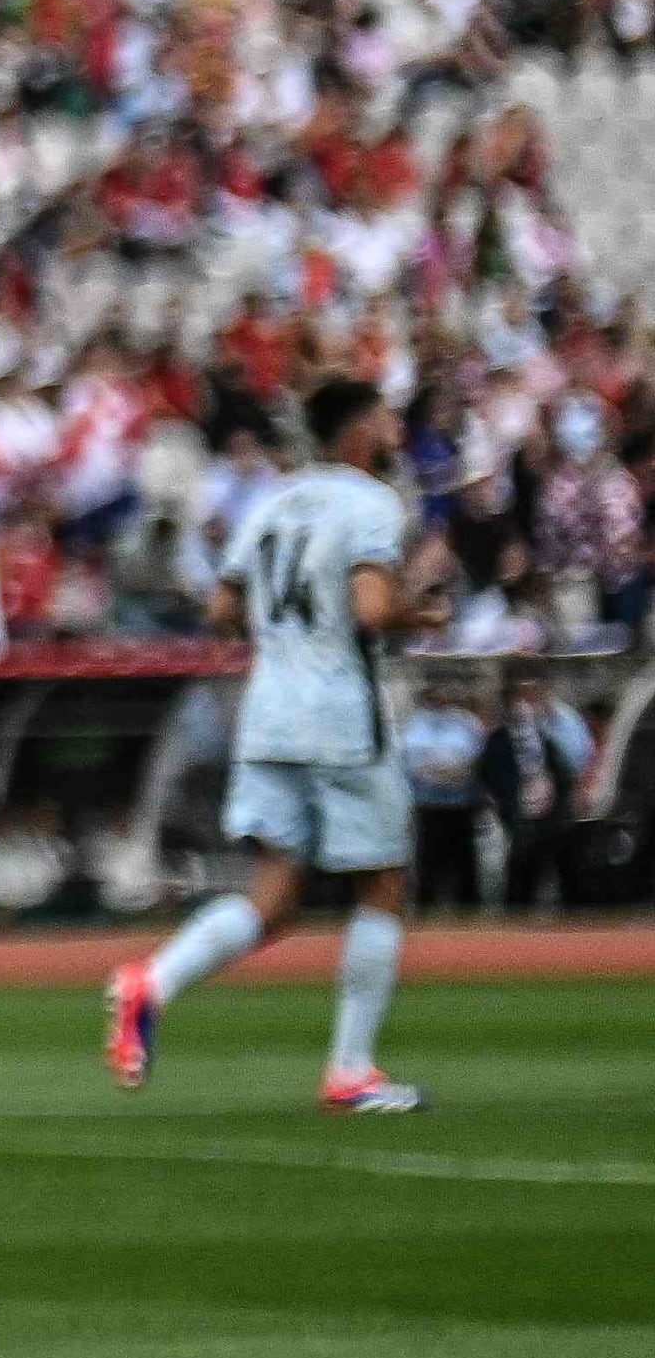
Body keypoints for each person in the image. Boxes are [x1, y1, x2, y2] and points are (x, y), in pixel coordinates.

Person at [107, 380, 433, 1113]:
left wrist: (286, 640)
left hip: (269, 716)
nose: (393, 431)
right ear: (356, 432)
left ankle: (149, 984)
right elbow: (374, 609)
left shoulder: (272, 502)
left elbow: (223, 610)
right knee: (382, 882)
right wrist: (423, 614)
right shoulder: (372, 503)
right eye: (383, 419)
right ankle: (351, 1070)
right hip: (341, 718)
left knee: (276, 896)